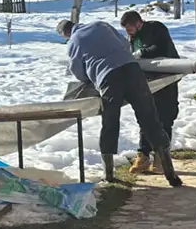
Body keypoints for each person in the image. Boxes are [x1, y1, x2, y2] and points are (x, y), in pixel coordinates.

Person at [56, 19, 182, 187]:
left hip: (108, 79)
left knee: (110, 122)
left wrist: (92, 76)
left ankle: (108, 175)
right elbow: (124, 42)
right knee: (150, 119)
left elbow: (78, 72)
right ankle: (170, 173)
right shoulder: (100, 25)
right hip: (133, 71)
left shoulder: (73, 42)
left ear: (66, 34)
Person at [120, 11, 179, 175]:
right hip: (146, 81)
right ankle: (143, 155)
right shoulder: (133, 38)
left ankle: (162, 157)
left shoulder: (156, 28)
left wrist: (142, 53)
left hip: (166, 79)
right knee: (145, 117)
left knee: (165, 117)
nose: (128, 32)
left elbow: (159, 47)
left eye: (130, 28)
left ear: (138, 23)